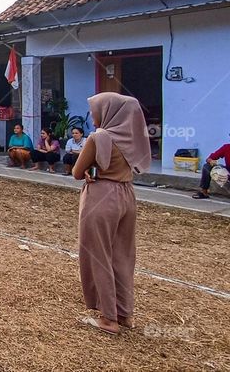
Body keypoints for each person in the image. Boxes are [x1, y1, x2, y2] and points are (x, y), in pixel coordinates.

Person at [72, 92, 150, 335]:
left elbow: (76, 171)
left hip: (101, 196)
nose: (92, 115)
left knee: (99, 255)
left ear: (109, 112)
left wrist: (87, 169)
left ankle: (108, 318)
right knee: (123, 255)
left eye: (95, 110)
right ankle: (125, 313)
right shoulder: (133, 137)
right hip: (127, 195)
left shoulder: (99, 137)